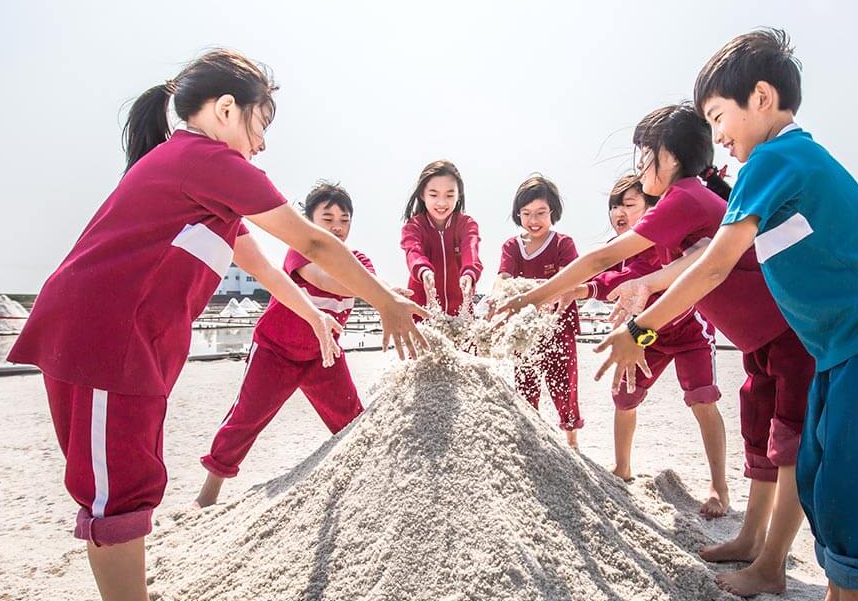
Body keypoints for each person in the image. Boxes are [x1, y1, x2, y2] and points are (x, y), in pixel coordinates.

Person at [8, 50, 427, 601]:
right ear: (226, 110)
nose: (260, 145)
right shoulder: (205, 158)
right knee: (116, 487)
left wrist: (313, 315)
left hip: (130, 343)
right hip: (104, 337)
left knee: (130, 471)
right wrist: (387, 300)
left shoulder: (199, 179)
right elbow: (310, 241)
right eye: (261, 124)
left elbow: (262, 267)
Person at [596, 28, 858, 601]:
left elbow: (717, 263)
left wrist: (640, 330)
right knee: (821, 471)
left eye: (719, 119)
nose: (717, 137)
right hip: (840, 345)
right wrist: (648, 283)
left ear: (763, 97)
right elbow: (711, 254)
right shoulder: (771, 173)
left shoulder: (779, 159)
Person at [495, 106, 815, 601]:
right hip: (760, 343)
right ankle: (752, 537)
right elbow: (667, 268)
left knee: (788, 447)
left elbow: (605, 258)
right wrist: (632, 288)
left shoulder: (686, 195)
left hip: (788, 336)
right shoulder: (691, 201)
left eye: (645, 158)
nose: (641, 170)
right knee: (759, 437)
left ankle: (772, 563)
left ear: (670, 158)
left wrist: (529, 296)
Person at [197, 181, 403, 506]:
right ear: (308, 221)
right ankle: (208, 495)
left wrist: (388, 293)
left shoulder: (359, 259)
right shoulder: (300, 250)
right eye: (328, 218)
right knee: (246, 417)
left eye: (344, 219)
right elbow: (328, 280)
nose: (337, 226)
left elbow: (365, 282)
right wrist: (384, 293)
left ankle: (369, 483)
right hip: (275, 351)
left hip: (324, 355)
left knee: (351, 418)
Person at [563, 175, 727, 512]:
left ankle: (718, 486)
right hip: (645, 335)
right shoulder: (619, 246)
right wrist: (582, 288)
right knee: (624, 396)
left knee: (701, 399)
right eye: (614, 205)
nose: (619, 211)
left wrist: (582, 289)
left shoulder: (661, 241)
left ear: (652, 209)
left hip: (688, 330)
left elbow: (630, 277)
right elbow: (609, 278)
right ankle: (623, 467)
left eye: (629, 203)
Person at [497, 174, 583, 447]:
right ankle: (531, 439)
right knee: (525, 384)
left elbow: (572, 279)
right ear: (518, 214)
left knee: (564, 384)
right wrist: (500, 295)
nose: (534, 220)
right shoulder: (512, 246)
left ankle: (571, 440)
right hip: (524, 330)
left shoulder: (562, 244)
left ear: (553, 212)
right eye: (526, 213)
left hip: (558, 324)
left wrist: (545, 295)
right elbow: (503, 278)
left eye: (541, 213)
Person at [400, 160, 482, 315]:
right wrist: (424, 272)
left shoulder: (466, 225)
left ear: (459, 195)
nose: (442, 202)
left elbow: (470, 251)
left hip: (461, 317)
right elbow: (413, 252)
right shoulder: (414, 227)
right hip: (422, 315)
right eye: (433, 194)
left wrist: (469, 273)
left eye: (449, 195)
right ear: (422, 195)